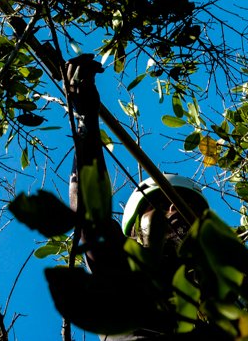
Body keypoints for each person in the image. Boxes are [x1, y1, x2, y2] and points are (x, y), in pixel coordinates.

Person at [65, 55, 210, 339]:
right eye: (161, 204)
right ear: (132, 227)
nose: (174, 209)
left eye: (186, 208)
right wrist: (86, 121)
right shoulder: (124, 268)